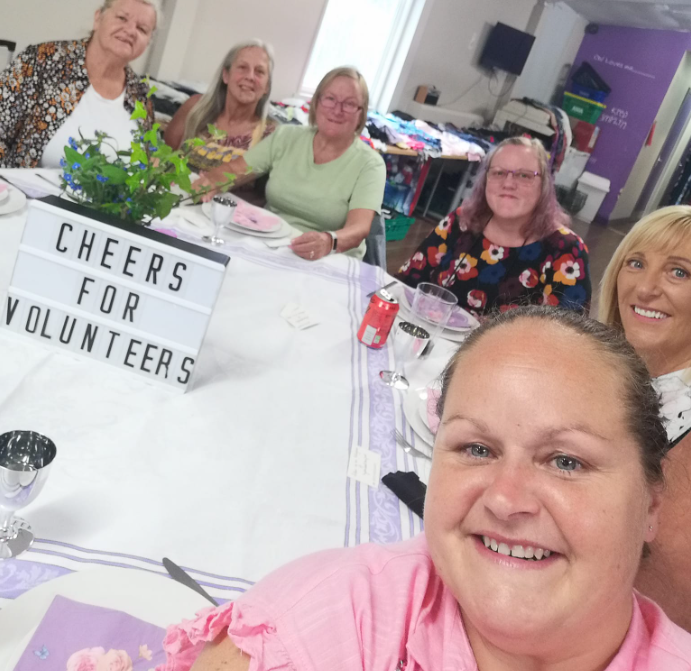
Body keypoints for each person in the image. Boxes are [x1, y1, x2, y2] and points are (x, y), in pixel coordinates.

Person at [157, 306, 691, 671]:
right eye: (477, 448)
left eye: (566, 461)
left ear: (651, 504)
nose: (506, 500)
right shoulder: (318, 625)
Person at [599, 205, 691, 629]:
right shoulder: (617, 377)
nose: (646, 288)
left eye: (679, 272)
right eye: (636, 263)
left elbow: (665, 597)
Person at [201, 67, 385, 261]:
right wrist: (210, 183)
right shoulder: (286, 136)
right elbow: (234, 170)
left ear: (361, 113)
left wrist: (328, 241)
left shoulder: (370, 164)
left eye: (349, 104)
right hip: (272, 245)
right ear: (317, 102)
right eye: (330, 99)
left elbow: (359, 228)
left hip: (329, 258)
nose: (337, 110)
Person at [396, 137, 591, 315]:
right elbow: (406, 283)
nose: (508, 183)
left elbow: (567, 336)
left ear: (544, 186)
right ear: (485, 181)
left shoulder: (566, 251)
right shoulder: (461, 222)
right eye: (498, 173)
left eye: (524, 176)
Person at [0, 0, 158, 169]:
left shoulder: (140, 96)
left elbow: (146, 164)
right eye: (122, 18)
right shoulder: (41, 61)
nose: (130, 30)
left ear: (148, 42)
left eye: (142, 29)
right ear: (98, 18)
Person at [164, 40, 276, 171]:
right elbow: (162, 160)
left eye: (259, 71)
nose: (250, 77)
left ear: (267, 86)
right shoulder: (194, 108)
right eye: (242, 67)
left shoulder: (270, 135)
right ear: (226, 75)